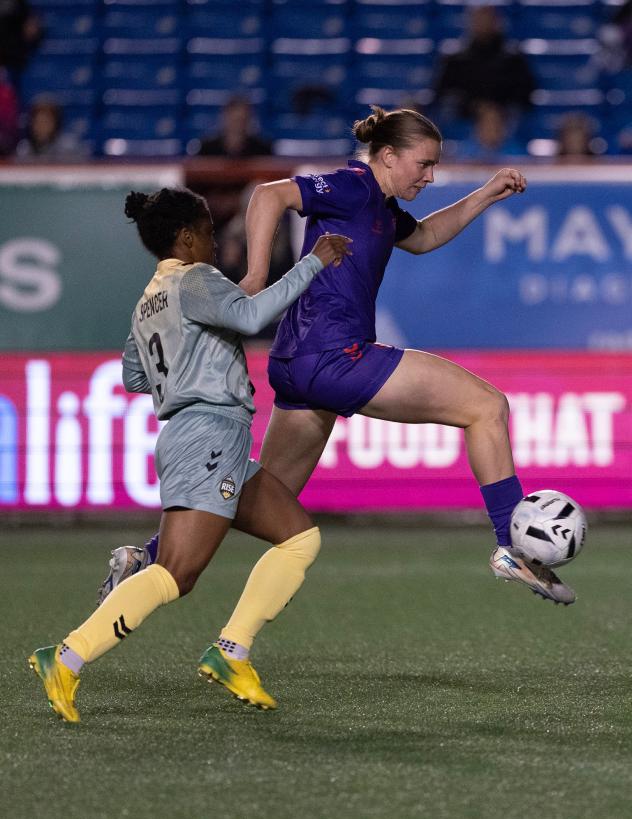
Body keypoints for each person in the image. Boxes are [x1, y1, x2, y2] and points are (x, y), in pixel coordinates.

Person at [98, 106, 576, 640]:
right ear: (387, 156)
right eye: (423, 164)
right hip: (335, 355)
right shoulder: (352, 186)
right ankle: (512, 546)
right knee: (487, 406)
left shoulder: (381, 206)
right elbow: (268, 195)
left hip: (297, 363)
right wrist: (255, 276)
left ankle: (144, 560)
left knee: (254, 497)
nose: (429, 176)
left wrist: (486, 193)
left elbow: (423, 237)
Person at [28, 186, 352, 722]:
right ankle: (66, 657)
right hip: (208, 435)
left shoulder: (148, 300)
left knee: (299, 537)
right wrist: (312, 262)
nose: (214, 244)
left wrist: (184, 367)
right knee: (176, 573)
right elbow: (251, 317)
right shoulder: (196, 279)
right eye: (207, 233)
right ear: (185, 237)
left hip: (204, 436)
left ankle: (232, 650)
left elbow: (134, 375)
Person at [434, 4, 534, 121]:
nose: (483, 23)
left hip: (504, 121)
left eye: (488, 18)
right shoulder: (454, 60)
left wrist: (497, 110)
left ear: (497, 21)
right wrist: (475, 107)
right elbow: (443, 96)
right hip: (465, 119)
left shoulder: (514, 59)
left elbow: (524, 97)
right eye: (479, 18)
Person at [15, 96, 89, 160]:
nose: (41, 126)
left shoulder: (69, 147)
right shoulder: (25, 149)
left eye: (46, 122)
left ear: (56, 123)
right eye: (37, 122)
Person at [197, 95, 272, 158]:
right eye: (235, 120)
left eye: (242, 120)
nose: (238, 126)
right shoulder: (207, 149)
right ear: (224, 118)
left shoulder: (263, 150)